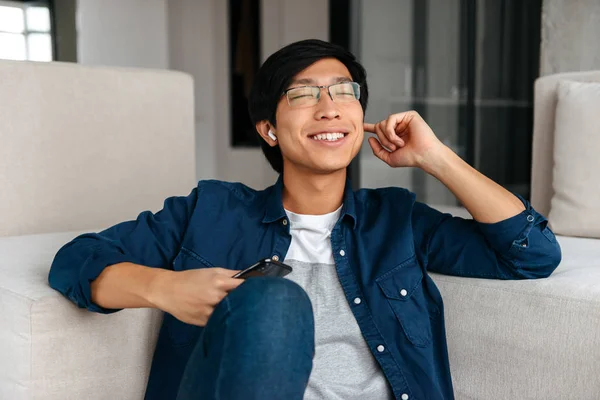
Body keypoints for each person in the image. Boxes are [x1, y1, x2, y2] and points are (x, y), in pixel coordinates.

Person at [48, 39, 561, 400]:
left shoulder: (397, 220)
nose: (329, 107)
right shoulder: (212, 212)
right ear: (269, 129)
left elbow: (533, 255)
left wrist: (437, 158)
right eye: (302, 94)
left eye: (344, 92)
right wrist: (163, 288)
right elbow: (76, 262)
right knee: (274, 301)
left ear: (361, 120)